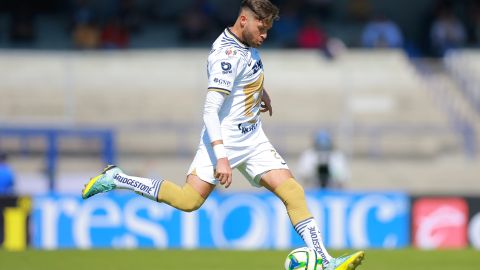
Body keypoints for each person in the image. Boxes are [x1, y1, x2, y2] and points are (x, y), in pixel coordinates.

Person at [82, 1, 364, 269]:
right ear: (244, 20)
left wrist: (259, 92)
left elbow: (246, 73)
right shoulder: (225, 56)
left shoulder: (247, 43)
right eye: (261, 29)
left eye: (267, 30)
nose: (264, 35)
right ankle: (117, 178)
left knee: (293, 192)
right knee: (187, 201)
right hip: (223, 142)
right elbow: (210, 111)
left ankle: (325, 261)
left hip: (253, 139)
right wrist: (222, 158)